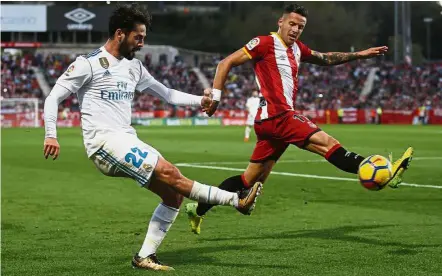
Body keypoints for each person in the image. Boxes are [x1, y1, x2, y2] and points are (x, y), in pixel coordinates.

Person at [42, 4, 262, 271]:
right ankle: (235, 200)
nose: (143, 43)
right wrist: (51, 135)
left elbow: (167, 94)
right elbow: (53, 97)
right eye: (139, 36)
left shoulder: (134, 67)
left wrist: (201, 101)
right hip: (103, 142)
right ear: (120, 33)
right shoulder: (87, 64)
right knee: (170, 172)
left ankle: (145, 256)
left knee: (173, 196)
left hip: (126, 139)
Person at [185, 3, 413, 235]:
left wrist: (358, 55)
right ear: (280, 23)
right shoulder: (264, 43)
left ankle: (198, 209)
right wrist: (216, 97)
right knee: (327, 144)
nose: (295, 29)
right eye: (292, 24)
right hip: (279, 116)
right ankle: (383, 172)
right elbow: (226, 63)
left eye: (300, 26)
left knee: (248, 180)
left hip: (271, 123)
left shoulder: (298, 49)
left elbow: (325, 58)